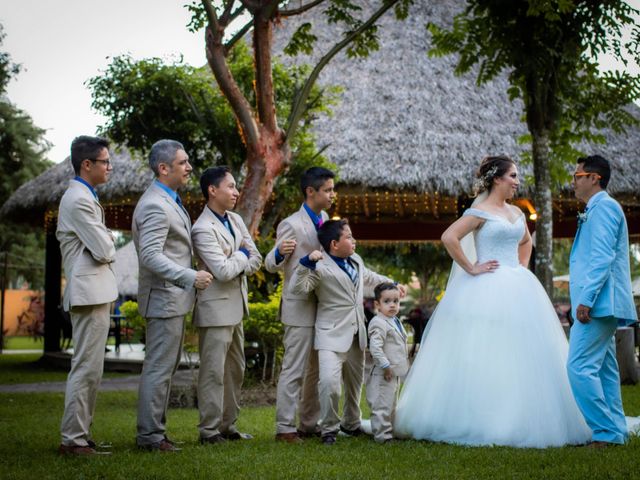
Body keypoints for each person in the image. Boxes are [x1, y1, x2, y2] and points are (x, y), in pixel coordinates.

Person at [394, 155, 592, 448]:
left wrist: (521, 267)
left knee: (524, 350)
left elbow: (526, 241)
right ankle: (479, 416)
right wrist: (471, 266)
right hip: (485, 285)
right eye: (512, 176)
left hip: (518, 285)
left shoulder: (516, 213)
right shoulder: (480, 211)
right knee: (484, 349)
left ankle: (526, 413)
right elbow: (450, 237)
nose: (516, 182)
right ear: (497, 178)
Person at [291, 219, 402, 445]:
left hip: (357, 333)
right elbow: (300, 287)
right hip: (330, 334)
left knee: (354, 385)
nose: (354, 240)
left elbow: (369, 278)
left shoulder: (356, 260)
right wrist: (306, 263)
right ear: (334, 243)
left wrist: (393, 283)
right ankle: (329, 429)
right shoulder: (319, 265)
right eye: (349, 237)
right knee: (329, 384)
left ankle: (351, 424)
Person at [133, 139, 213, 452]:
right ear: (163, 168)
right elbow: (150, 255)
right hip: (164, 297)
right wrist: (190, 277)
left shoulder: (169, 199)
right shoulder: (155, 203)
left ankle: (155, 433)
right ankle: (150, 437)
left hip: (172, 299)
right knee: (158, 368)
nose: (189, 168)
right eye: (183, 163)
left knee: (164, 368)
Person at [567, 155, 638, 447]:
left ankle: (605, 432)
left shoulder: (604, 208)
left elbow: (602, 257)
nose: (573, 181)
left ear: (594, 178)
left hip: (599, 303)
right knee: (606, 370)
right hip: (602, 304)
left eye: (577, 175)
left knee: (578, 366)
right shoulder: (595, 209)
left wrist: (585, 300)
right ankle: (616, 430)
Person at [57, 135, 118, 456]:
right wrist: (107, 237)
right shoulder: (79, 199)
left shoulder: (86, 197)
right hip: (88, 293)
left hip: (94, 292)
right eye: (105, 161)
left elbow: (103, 244)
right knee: (85, 367)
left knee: (92, 368)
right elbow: (105, 247)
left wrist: (104, 237)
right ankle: (73, 439)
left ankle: (80, 434)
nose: (110, 167)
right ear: (87, 164)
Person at [192, 166, 262, 445]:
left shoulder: (234, 219)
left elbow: (255, 257)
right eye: (231, 186)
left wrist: (238, 258)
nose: (235, 192)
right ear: (212, 190)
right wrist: (240, 256)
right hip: (214, 310)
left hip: (237, 307)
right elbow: (221, 271)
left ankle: (228, 426)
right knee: (213, 372)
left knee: (236, 370)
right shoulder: (201, 228)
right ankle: (209, 431)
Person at [265, 167, 335, 444]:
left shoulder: (326, 218)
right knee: (293, 369)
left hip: (323, 305)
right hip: (298, 307)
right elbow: (270, 263)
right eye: (328, 190)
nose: (332, 194)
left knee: (316, 370)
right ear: (311, 191)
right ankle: (284, 427)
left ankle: (308, 423)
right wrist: (279, 252)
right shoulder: (291, 224)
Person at [366, 283, 409, 444]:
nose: (392, 305)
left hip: (394, 373)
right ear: (377, 304)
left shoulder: (394, 320)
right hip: (383, 372)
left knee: (391, 404)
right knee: (382, 405)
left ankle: (389, 431)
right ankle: (382, 436)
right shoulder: (378, 322)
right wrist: (385, 366)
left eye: (396, 301)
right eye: (387, 301)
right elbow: (375, 348)